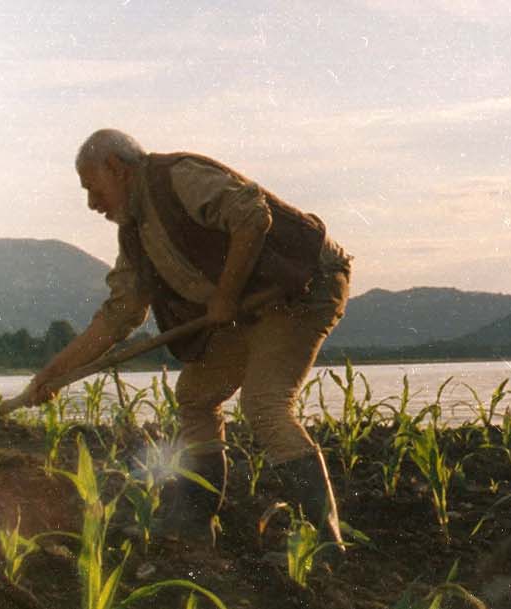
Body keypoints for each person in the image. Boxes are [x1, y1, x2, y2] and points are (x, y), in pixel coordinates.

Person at [18, 129, 352, 545]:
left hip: (304, 287)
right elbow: (119, 315)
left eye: (92, 188)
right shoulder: (135, 234)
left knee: (265, 404)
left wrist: (225, 296)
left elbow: (252, 215)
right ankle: (194, 523)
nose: (92, 203)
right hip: (253, 306)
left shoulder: (178, 177)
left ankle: (327, 542)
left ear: (117, 169)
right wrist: (53, 375)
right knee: (195, 395)